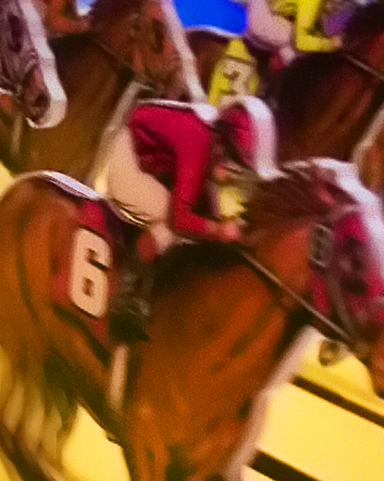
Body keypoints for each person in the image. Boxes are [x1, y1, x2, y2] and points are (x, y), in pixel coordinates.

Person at [100, 96, 278, 342]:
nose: (234, 171)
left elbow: (211, 201)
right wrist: (218, 230)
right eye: (235, 161)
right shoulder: (197, 142)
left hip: (151, 156)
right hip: (126, 158)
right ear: (222, 143)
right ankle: (125, 297)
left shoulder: (212, 139)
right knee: (171, 224)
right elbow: (180, 220)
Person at [243, 0, 367, 77]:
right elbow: (301, 42)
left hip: (275, 9)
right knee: (295, 47)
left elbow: (318, 29)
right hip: (262, 9)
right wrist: (329, 44)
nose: (342, 7)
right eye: (343, 0)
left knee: (312, 42)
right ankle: (269, 80)